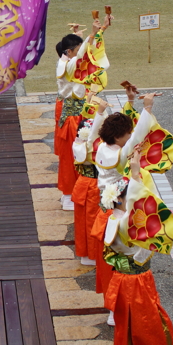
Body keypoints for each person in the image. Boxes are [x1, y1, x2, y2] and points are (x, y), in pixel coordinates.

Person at [102, 148, 173, 345]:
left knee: (142, 328)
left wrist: (135, 170)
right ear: (121, 200)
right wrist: (135, 171)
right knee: (134, 331)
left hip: (136, 281)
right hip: (131, 284)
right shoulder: (122, 224)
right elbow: (139, 195)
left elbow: (138, 196)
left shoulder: (117, 217)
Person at [86, 91, 163, 308]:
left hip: (105, 208)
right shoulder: (119, 156)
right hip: (121, 209)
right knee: (127, 258)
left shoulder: (101, 147)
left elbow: (94, 132)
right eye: (126, 133)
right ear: (118, 136)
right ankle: (118, 306)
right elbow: (138, 136)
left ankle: (112, 303)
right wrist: (147, 108)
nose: (130, 136)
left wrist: (104, 112)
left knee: (110, 258)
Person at [55, 15, 111, 211]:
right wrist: (92, 34)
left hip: (80, 114)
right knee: (73, 157)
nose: (83, 54)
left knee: (81, 155)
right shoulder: (67, 66)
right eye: (78, 50)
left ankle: (74, 192)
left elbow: (87, 55)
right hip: (73, 118)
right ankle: (69, 194)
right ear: (69, 52)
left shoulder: (67, 60)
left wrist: (100, 31)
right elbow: (81, 57)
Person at [71, 96, 103, 265]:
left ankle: (87, 253)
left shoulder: (81, 144)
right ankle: (89, 253)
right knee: (89, 221)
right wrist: (100, 113)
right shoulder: (83, 147)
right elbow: (90, 142)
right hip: (91, 186)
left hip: (85, 185)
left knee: (86, 221)